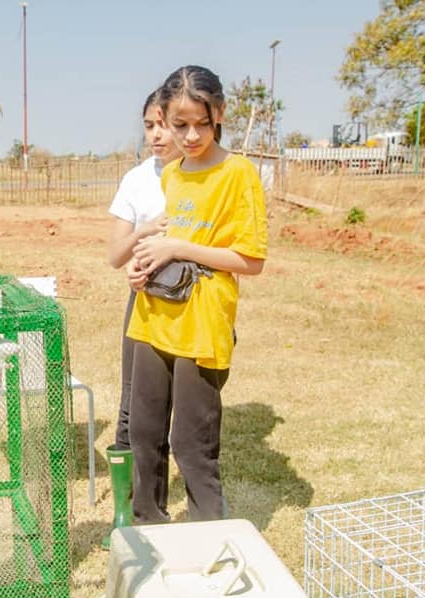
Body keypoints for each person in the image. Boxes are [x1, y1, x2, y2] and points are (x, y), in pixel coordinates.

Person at [125, 65, 268, 522]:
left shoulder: (238, 173)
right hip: (151, 316)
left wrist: (177, 248)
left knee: (192, 443)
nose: (189, 136)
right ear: (163, 118)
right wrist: (144, 263)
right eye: (178, 124)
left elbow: (251, 261)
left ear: (219, 113)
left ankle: (210, 537)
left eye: (200, 124)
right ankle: (148, 529)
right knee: (144, 434)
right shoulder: (171, 175)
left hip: (203, 326)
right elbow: (167, 241)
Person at [102, 89, 182, 548]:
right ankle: (134, 509)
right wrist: (148, 230)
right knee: (134, 409)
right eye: (149, 126)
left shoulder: (203, 177)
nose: (156, 135)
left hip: (193, 305)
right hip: (145, 304)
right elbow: (114, 254)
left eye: (163, 124)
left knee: (183, 414)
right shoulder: (136, 180)